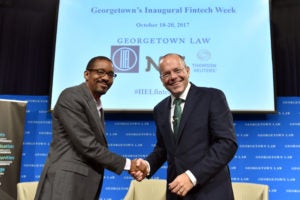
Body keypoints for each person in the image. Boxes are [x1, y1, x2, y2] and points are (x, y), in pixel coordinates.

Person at [34, 56, 145, 200]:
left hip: (83, 184)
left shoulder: (96, 104)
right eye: (100, 72)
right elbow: (87, 145)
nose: (106, 78)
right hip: (66, 184)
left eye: (110, 75)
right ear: (87, 74)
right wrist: (129, 164)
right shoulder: (71, 96)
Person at [132, 53, 238, 199]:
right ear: (161, 79)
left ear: (187, 71)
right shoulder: (160, 109)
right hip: (176, 194)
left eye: (177, 70)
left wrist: (192, 176)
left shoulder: (212, 97)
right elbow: (164, 148)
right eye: (166, 74)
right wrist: (147, 165)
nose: (173, 77)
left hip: (210, 192)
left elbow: (227, 144)